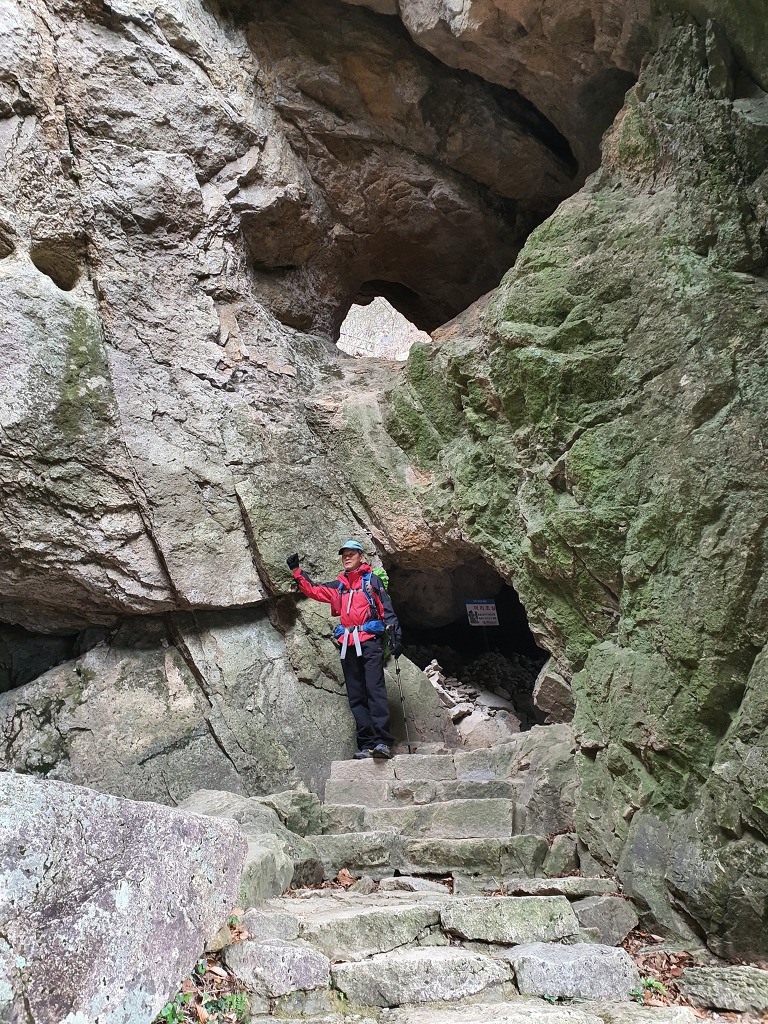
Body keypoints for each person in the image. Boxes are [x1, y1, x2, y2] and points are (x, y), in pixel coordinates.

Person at [286, 541, 403, 760]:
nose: (347, 557)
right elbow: (314, 590)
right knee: (356, 694)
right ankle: (367, 744)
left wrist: (395, 634)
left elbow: (385, 608)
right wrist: (296, 571)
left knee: (375, 689)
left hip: (370, 641)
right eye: (344, 555)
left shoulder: (372, 581)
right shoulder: (339, 585)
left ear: (361, 557)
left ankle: (382, 742)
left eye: (351, 554)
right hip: (348, 643)